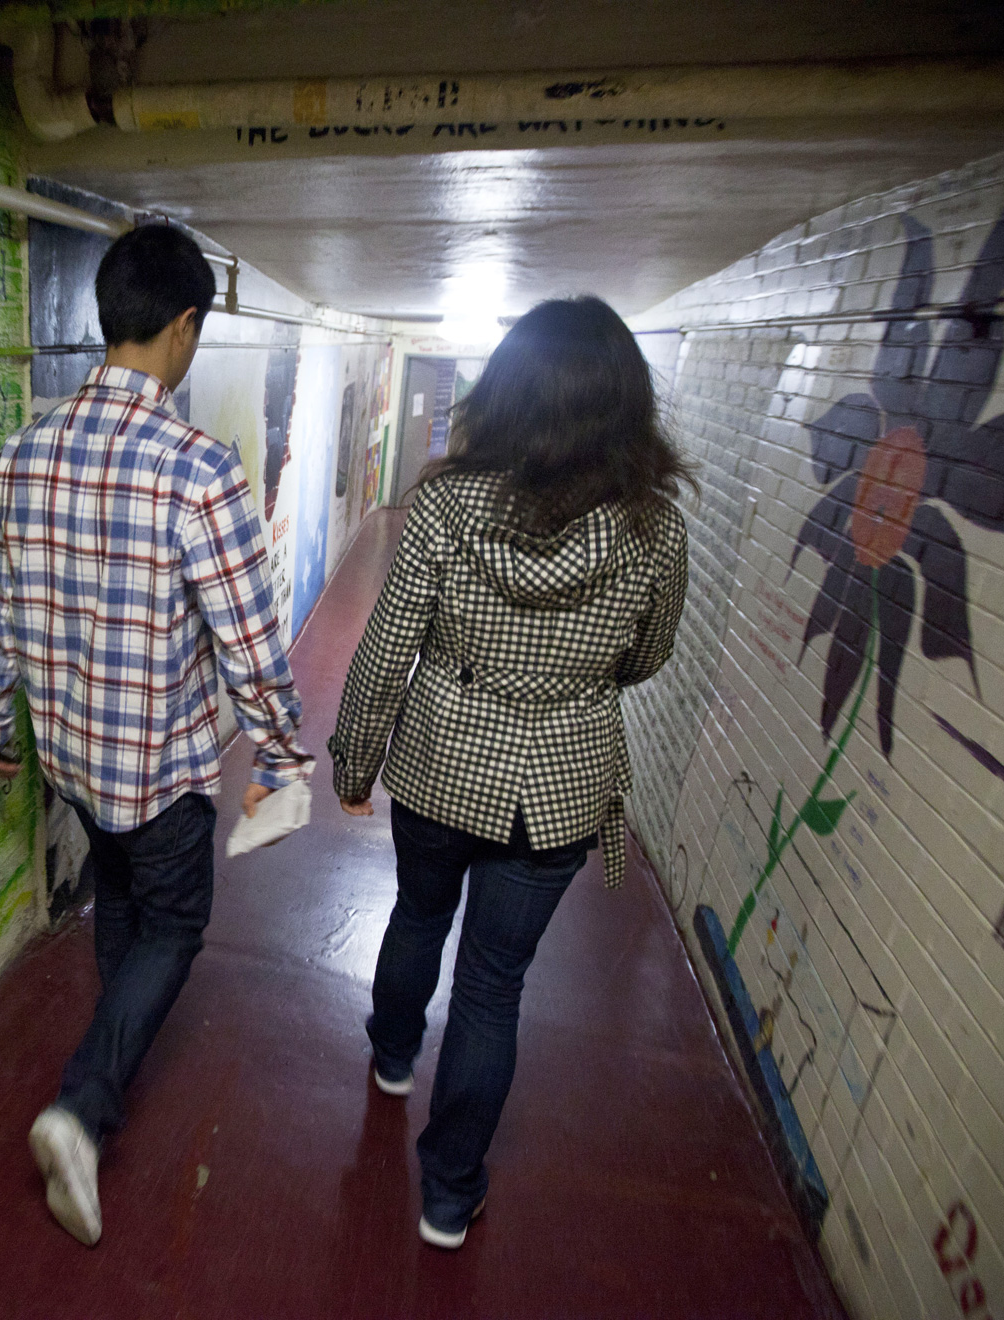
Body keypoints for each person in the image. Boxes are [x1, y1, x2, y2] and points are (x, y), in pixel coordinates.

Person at [0, 224, 311, 1246]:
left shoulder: (24, 455)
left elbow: (2, 603)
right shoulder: (198, 469)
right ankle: (82, 1107)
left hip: (73, 758)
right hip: (158, 771)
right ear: (182, 327)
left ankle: (105, 1061)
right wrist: (285, 756)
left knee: (116, 895)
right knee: (173, 922)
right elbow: (250, 639)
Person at [327, 296, 692, 1249]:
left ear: (508, 393)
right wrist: (569, 681)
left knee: (416, 914)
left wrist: (356, 761)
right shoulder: (655, 529)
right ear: (627, 405)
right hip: (562, 788)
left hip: (444, 766)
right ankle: (448, 1197)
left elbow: (384, 648)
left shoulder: (447, 502)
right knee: (493, 987)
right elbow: (649, 654)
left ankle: (393, 1057)